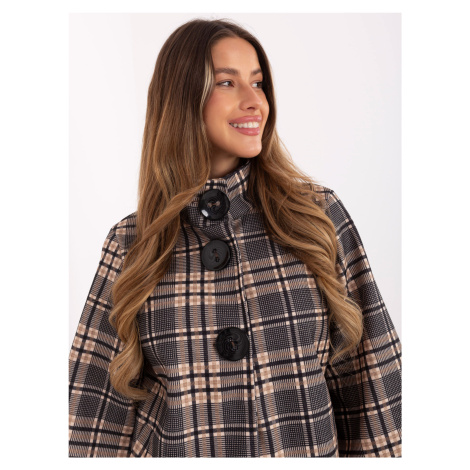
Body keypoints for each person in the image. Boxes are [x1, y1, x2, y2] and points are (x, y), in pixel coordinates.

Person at [69, 18, 402, 458]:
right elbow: (94, 420)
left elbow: (374, 385)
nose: (255, 101)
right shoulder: (133, 243)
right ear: (182, 98)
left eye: (258, 83)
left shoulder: (315, 217)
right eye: (227, 82)